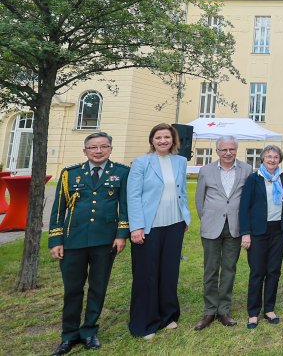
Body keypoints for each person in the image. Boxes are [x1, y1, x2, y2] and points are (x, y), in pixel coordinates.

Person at [47, 132, 129, 356]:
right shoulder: (70, 174)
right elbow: (58, 210)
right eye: (93, 147)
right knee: (72, 290)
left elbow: (125, 207)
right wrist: (56, 239)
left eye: (104, 146)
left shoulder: (121, 173)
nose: (99, 151)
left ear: (111, 149)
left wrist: (121, 234)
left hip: (105, 242)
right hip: (74, 241)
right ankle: (69, 335)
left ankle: (89, 331)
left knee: (98, 287)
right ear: (85, 151)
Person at [127, 123, 192, 339]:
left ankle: (168, 316)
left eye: (167, 137)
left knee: (169, 272)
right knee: (147, 274)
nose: (163, 140)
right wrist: (136, 226)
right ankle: (145, 322)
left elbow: (181, 191)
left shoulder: (180, 161)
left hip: (174, 224)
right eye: (158, 137)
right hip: (149, 227)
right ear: (152, 140)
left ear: (173, 140)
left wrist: (186, 217)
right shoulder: (141, 163)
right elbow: (133, 196)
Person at [194, 136, 252, 331]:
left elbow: (248, 199)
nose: (228, 153)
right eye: (224, 150)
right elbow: (199, 201)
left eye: (231, 149)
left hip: (235, 227)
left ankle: (224, 310)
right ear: (217, 151)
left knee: (229, 269)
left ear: (237, 149)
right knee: (210, 270)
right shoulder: (206, 171)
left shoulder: (246, 170)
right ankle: (209, 310)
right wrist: (209, 218)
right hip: (211, 226)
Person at [239, 145, 283, 328]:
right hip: (257, 232)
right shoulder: (254, 179)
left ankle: (269, 309)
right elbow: (244, 207)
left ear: (280, 159)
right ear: (262, 158)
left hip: (279, 230)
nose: (272, 159)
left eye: (276, 156)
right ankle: (253, 312)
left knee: (274, 271)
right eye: (269, 156)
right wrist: (245, 233)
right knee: (257, 272)